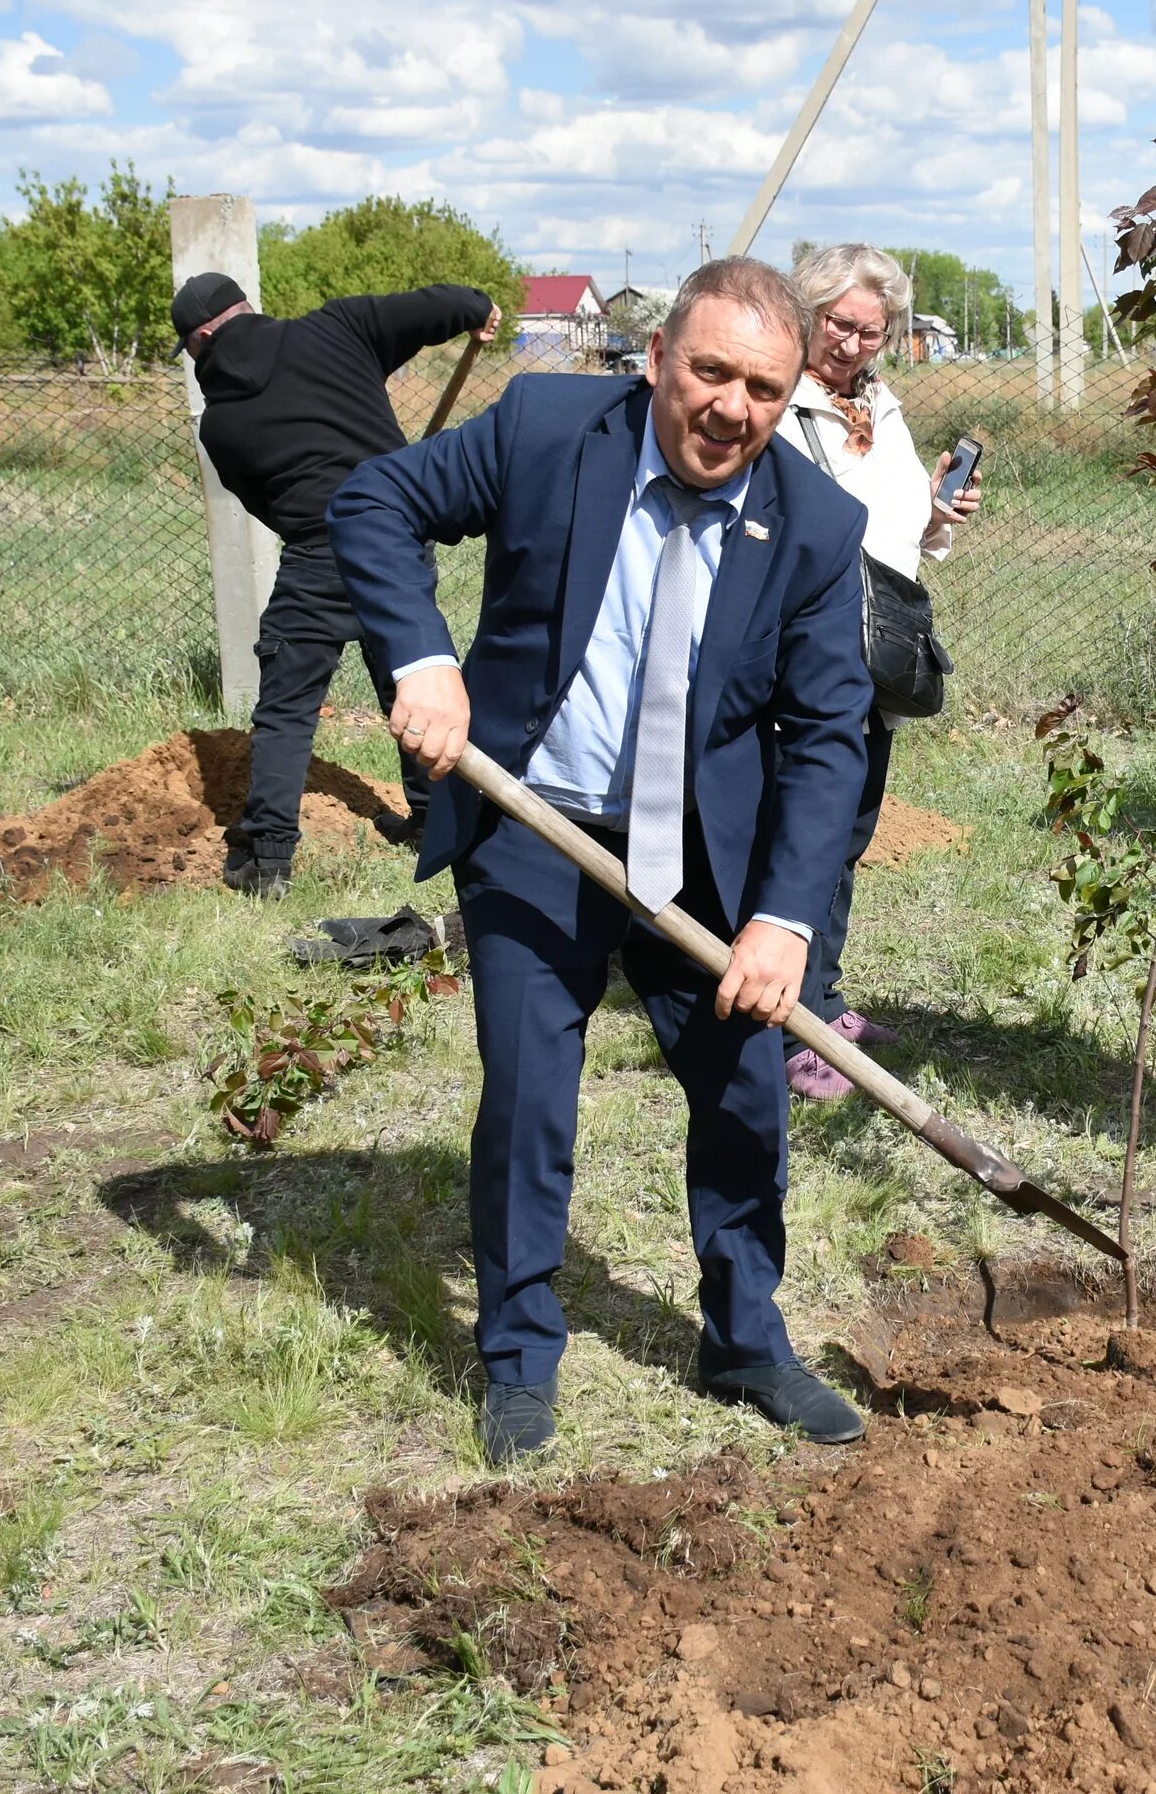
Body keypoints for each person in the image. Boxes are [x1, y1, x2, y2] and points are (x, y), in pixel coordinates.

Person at [329, 256, 871, 1465]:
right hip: (536, 823)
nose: (732, 407)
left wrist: (785, 919)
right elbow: (374, 502)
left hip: (709, 861)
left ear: (794, 401)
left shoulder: (817, 528)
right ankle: (519, 1352)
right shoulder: (545, 429)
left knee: (742, 1099)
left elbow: (829, 737)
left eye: (765, 390)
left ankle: (742, 1336)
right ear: (658, 361)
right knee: (528, 1096)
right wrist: (420, 660)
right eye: (712, 372)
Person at [179, 270, 504, 899]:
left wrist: (318, 530)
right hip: (391, 542)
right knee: (412, 685)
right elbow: (434, 304)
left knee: (287, 709)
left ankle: (269, 860)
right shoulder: (337, 327)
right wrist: (477, 308)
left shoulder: (218, 425)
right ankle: (440, 827)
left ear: (200, 341)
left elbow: (263, 501)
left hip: (314, 551)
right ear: (246, 309)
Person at [772, 242, 981, 1101]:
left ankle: (824, 998)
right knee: (798, 837)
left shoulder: (880, 408)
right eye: (840, 324)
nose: (855, 344)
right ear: (804, 313)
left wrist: (935, 513)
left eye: (874, 330)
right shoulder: (779, 404)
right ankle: (789, 1027)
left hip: (868, 657)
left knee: (847, 832)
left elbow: (890, 530)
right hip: (801, 655)